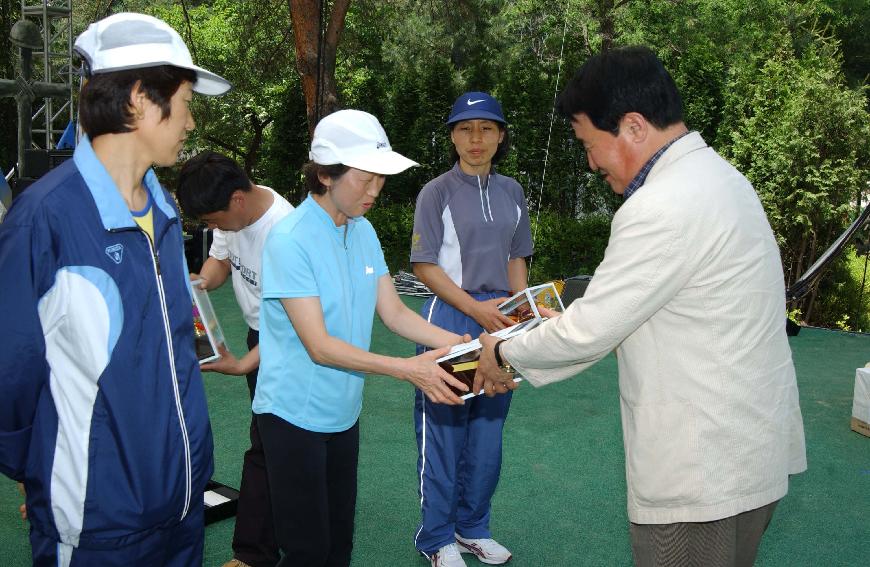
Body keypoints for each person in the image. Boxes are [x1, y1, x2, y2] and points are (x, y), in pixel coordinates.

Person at [474, 46, 807, 567]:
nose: (589, 162)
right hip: (747, 454)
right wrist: (565, 330)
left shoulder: (661, 205)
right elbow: (639, 312)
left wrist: (502, 352)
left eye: (588, 143)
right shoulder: (723, 179)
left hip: (700, 476)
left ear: (632, 126)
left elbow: (591, 330)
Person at [0, 12, 230, 566]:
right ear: (138, 100)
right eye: (185, 101)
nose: (191, 122)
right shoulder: (44, 219)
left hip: (181, 505)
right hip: (98, 523)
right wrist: (40, 470)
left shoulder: (167, 212)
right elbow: (11, 373)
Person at [253, 109, 471, 567]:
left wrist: (462, 343)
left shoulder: (363, 230)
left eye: (381, 180)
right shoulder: (289, 238)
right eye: (366, 179)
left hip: (342, 413)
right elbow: (320, 345)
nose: (375, 192)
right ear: (326, 174)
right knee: (307, 551)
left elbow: (393, 312)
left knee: (339, 544)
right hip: (292, 416)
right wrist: (407, 369)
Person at [409, 91, 533, 567]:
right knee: (444, 433)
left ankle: (472, 527)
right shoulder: (436, 192)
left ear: (500, 136)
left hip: (502, 324)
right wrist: (478, 313)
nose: (475, 138)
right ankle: (436, 537)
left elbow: (516, 258)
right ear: (453, 137)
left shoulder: (513, 192)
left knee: (487, 434)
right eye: (464, 128)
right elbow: (424, 265)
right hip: (451, 321)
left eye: (485, 129)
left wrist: (519, 318)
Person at [176, 151, 294, 567]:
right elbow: (221, 260)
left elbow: (297, 328)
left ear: (238, 200)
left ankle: (253, 554)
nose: (211, 228)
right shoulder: (237, 213)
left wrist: (246, 364)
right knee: (273, 441)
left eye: (211, 219)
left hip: (295, 345)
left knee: (266, 445)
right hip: (261, 334)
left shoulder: (285, 232)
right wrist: (201, 282)